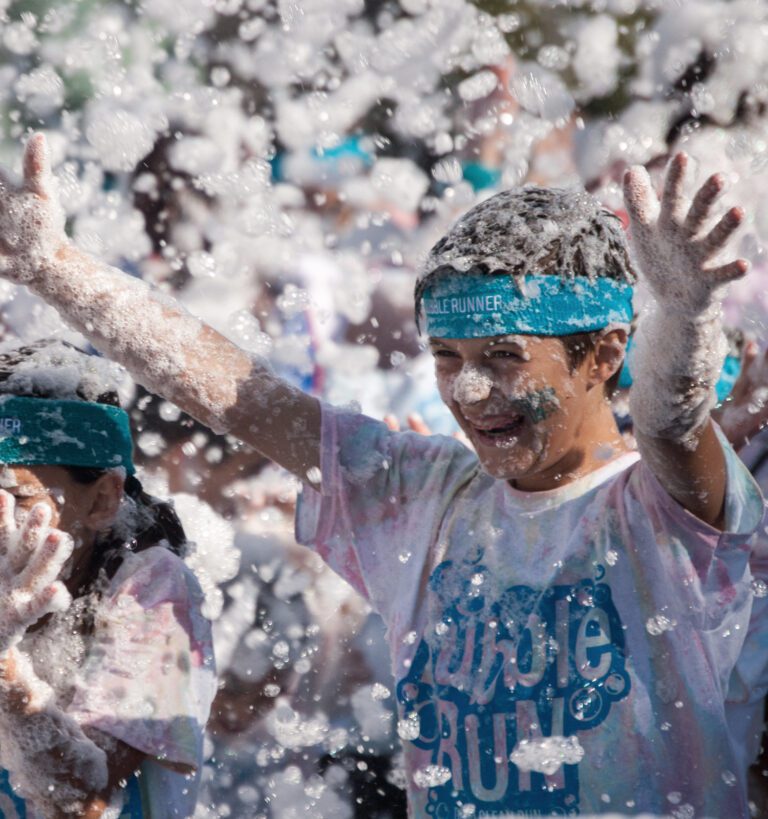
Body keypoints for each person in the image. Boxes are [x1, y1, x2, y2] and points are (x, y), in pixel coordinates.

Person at [0, 134, 762, 815]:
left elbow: (670, 422)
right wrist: (55, 269)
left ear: (602, 354)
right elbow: (239, 394)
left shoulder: (661, 509)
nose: (468, 391)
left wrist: (687, 319)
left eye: (503, 356)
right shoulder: (424, 496)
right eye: (447, 358)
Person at [0, 339, 216, 818]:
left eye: (14, 497)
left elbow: (79, 796)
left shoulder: (153, 589)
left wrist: (4, 664)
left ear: (101, 500)